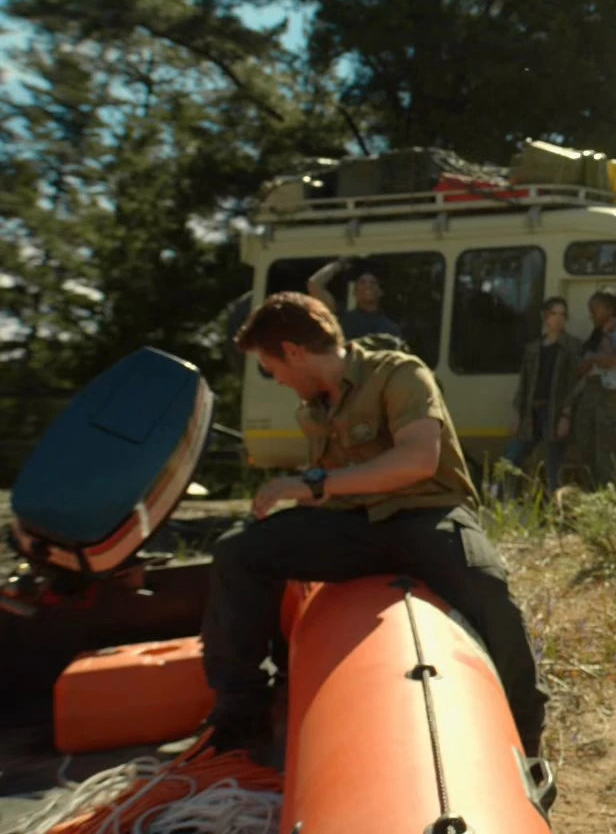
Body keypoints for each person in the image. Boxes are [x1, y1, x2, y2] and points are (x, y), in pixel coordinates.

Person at [205, 292, 551, 768]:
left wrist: (314, 484)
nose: (278, 380)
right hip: (353, 526)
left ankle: (525, 739)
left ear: (294, 351)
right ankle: (242, 717)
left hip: (425, 514)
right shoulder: (312, 409)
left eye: (273, 368)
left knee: (486, 587)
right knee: (238, 552)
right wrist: (300, 504)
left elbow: (418, 460)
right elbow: (336, 485)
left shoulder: (399, 373)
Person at [501, 296, 582, 499]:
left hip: (554, 412)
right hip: (531, 412)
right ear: (545, 317)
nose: (559, 318)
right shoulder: (533, 349)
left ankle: (557, 507)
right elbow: (524, 383)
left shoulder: (571, 346)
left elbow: (575, 383)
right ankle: (507, 500)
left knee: (553, 465)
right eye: (554, 314)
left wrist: (566, 415)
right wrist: (518, 414)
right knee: (510, 459)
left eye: (563, 314)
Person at [569, 290, 616, 491]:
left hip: (613, 394)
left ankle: (608, 490)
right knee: (584, 440)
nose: (591, 316)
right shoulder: (593, 338)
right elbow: (579, 369)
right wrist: (592, 358)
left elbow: (613, 361)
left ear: (610, 310)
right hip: (591, 390)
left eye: (595, 310)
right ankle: (590, 487)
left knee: (606, 446)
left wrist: (604, 339)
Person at [306, 258, 406, 343]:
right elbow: (314, 284)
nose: (368, 285)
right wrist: (341, 262)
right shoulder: (342, 316)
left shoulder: (390, 327)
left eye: (373, 282)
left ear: (380, 292)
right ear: (354, 292)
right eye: (362, 282)